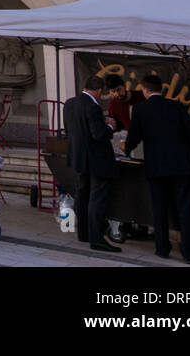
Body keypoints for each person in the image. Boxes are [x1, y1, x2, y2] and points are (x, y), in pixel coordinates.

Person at [125, 74, 190, 263]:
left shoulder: (140, 109)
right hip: (182, 165)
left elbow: (134, 136)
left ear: (144, 90)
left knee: (159, 209)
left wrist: (126, 148)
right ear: (161, 89)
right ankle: (189, 253)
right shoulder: (176, 105)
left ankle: (162, 248)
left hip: (157, 167)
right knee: (185, 209)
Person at [63, 76, 120, 252]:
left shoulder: (70, 103)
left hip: (78, 157)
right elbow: (98, 134)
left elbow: (71, 129)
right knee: (97, 198)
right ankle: (96, 238)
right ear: (98, 91)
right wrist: (110, 126)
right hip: (96, 159)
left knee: (82, 194)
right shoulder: (93, 106)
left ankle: (84, 233)